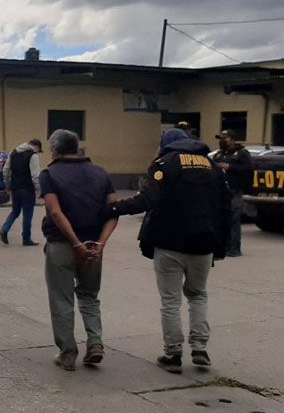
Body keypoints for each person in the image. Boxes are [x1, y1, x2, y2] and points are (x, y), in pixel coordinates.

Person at [109, 128, 231, 374]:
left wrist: (113, 209)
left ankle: (173, 353)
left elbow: (147, 199)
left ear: (165, 144)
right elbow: (225, 208)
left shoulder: (165, 163)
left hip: (169, 242)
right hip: (204, 243)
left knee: (171, 301)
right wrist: (221, 245)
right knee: (198, 295)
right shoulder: (212, 165)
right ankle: (200, 349)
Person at [39, 129, 118, 371]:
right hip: (94, 245)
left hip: (62, 245)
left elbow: (54, 211)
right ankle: (95, 343)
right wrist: (100, 244)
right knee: (89, 295)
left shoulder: (49, 174)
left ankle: (68, 353)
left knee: (61, 298)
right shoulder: (101, 173)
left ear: (54, 149)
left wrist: (75, 242)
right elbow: (114, 211)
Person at [211, 130, 252, 257]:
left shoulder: (241, 153)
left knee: (233, 219)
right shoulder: (219, 154)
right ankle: (222, 246)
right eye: (220, 138)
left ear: (233, 140)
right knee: (220, 219)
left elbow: (249, 170)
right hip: (220, 192)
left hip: (234, 190)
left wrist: (230, 167)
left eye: (225, 138)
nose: (222, 141)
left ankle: (234, 247)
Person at [0, 138, 42, 246]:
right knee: (27, 215)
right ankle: (26, 239)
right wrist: (39, 190)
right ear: (36, 147)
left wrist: (8, 183)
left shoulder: (13, 152)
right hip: (27, 189)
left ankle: (4, 229)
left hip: (15, 188)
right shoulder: (33, 155)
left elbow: (5, 169)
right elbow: (35, 175)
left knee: (15, 211)